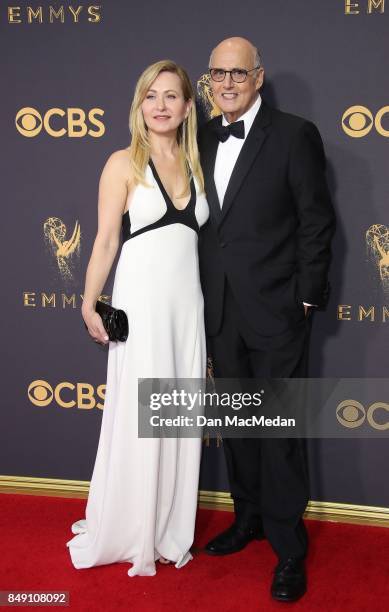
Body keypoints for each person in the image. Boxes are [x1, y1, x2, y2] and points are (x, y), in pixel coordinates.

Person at [198, 37, 335, 602]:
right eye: (217, 74)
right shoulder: (199, 135)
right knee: (236, 425)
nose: (227, 83)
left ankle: (289, 548)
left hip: (278, 309)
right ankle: (247, 517)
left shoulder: (294, 134)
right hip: (219, 308)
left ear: (258, 76)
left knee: (278, 432)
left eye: (238, 73)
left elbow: (315, 220)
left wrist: (305, 297)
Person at [66, 60, 209, 577]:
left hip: (185, 307)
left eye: (172, 96)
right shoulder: (122, 162)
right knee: (139, 411)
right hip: (141, 301)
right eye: (152, 96)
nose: (161, 105)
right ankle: (129, 524)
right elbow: (106, 239)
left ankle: (169, 524)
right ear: (139, 105)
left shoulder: (200, 163)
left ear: (188, 106)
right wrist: (89, 301)